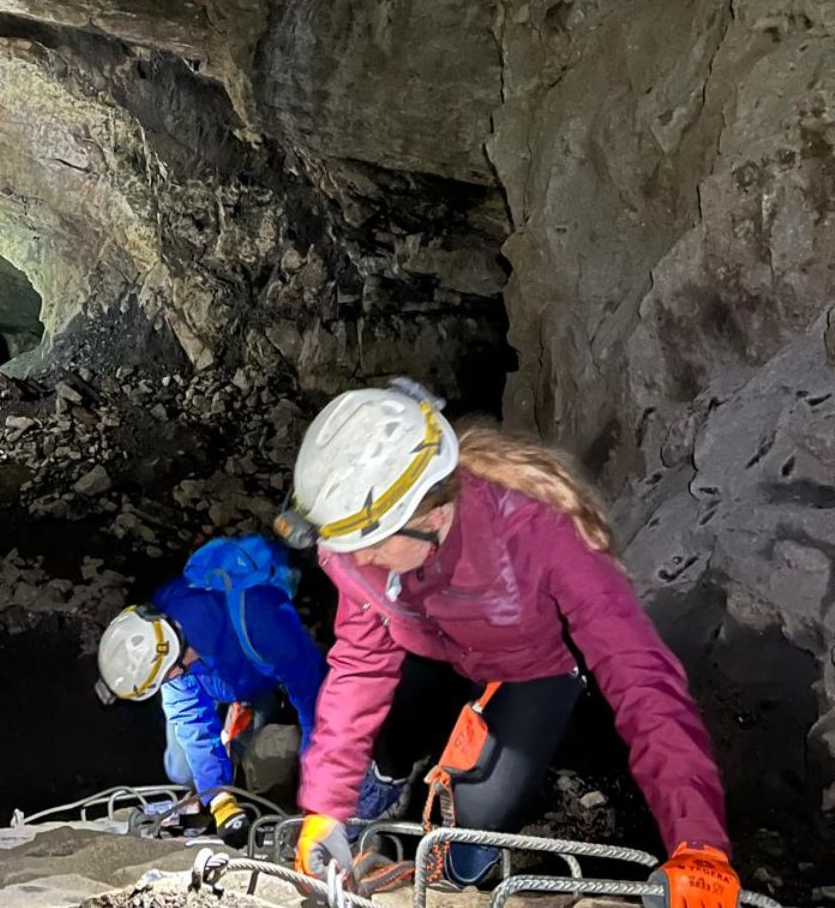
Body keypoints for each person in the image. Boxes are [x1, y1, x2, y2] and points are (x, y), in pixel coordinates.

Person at [275, 378, 739, 908]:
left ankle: (463, 869)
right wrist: (324, 808)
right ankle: (381, 785)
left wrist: (697, 839)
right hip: (431, 647)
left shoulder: (539, 530)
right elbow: (360, 661)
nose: (355, 563)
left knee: (478, 824)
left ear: (433, 516)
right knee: (393, 727)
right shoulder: (358, 546)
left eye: (371, 548)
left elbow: (639, 674)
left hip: (531, 668)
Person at [95, 535, 326, 847]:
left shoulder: (262, 625)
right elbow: (190, 718)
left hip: (261, 679)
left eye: (164, 679)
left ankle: (249, 755)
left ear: (171, 663)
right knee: (180, 767)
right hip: (219, 676)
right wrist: (220, 802)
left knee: (267, 762)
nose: (167, 683)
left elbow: (316, 703)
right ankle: (217, 784)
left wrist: (318, 797)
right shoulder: (166, 644)